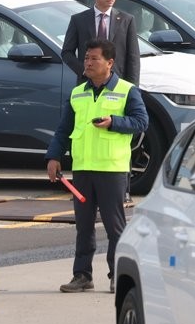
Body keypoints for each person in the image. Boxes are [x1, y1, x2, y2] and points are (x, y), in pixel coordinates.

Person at [46, 39, 149, 293]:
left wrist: (114, 122)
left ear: (110, 63)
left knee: (115, 226)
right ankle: (82, 275)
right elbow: (64, 128)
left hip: (111, 169)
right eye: (86, 59)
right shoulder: (78, 92)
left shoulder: (126, 90)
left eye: (94, 59)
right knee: (83, 225)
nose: (88, 63)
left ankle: (119, 273)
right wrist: (53, 156)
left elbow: (141, 122)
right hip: (83, 168)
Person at [61, 0, 140, 86]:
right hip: (88, 83)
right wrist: (84, 71)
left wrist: (132, 87)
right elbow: (67, 53)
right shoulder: (79, 20)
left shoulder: (126, 20)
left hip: (117, 82)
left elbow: (133, 58)